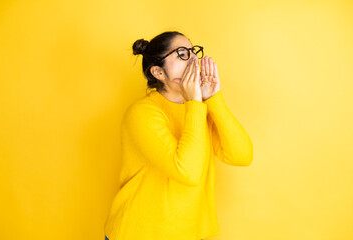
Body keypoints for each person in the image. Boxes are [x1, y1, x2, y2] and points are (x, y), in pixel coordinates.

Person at [104, 31, 253, 240]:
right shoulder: (142, 113)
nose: (193, 60)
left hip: (190, 234)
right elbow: (188, 173)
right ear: (158, 72)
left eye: (194, 52)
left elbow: (242, 156)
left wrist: (213, 99)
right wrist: (194, 104)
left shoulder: (200, 109)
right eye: (182, 54)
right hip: (140, 234)